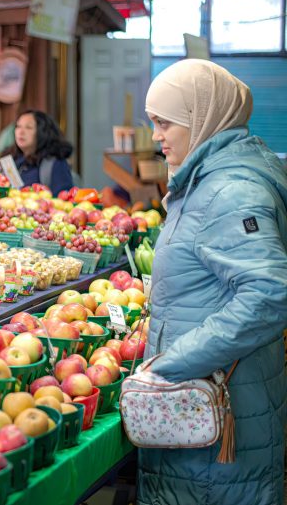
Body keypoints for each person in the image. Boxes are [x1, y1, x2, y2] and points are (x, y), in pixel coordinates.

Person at [138, 59, 287, 505]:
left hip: (217, 431)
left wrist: (170, 364)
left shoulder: (230, 191)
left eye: (164, 122)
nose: (155, 135)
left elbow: (270, 295)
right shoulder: (205, 180)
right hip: (208, 411)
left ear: (202, 118)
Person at [4, 109, 74, 196]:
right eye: (18, 126)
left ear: (42, 132)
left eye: (28, 127)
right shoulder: (11, 161)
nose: (20, 132)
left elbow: (64, 201)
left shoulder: (55, 163)